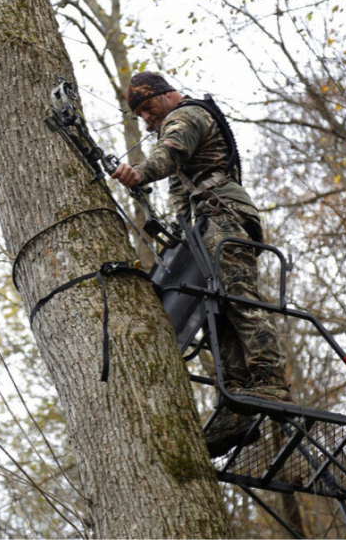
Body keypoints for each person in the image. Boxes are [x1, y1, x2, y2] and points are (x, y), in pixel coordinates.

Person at [111, 71, 293, 458]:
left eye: (147, 108)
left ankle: (270, 380)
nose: (146, 118)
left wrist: (140, 172)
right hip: (208, 223)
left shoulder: (186, 116)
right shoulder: (176, 118)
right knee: (219, 313)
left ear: (164, 95)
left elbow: (170, 151)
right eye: (139, 114)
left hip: (222, 219)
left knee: (239, 300)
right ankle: (238, 407)